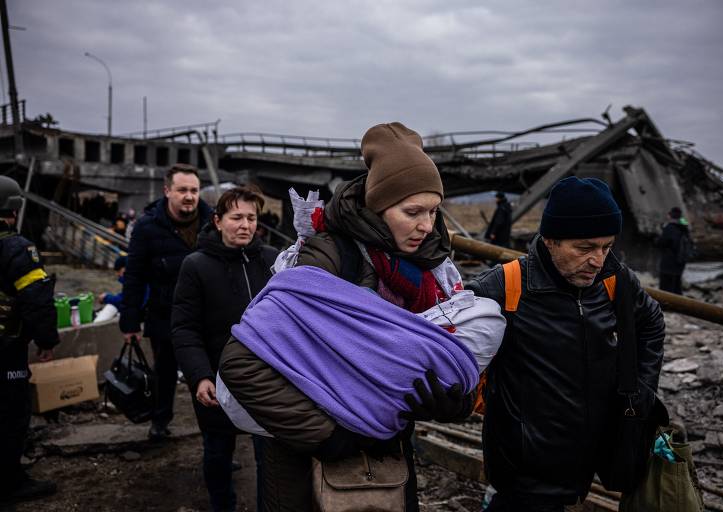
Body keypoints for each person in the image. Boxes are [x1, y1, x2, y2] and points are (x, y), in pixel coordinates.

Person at [218, 122, 475, 511]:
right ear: (377, 207)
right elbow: (240, 364)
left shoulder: (432, 275)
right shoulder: (329, 257)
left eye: (434, 210)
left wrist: (450, 402)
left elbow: (424, 357)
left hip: (385, 457)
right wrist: (331, 436)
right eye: (412, 211)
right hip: (303, 461)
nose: (427, 225)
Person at [467, 176, 665, 511]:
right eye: (585, 248)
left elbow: (651, 323)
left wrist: (640, 389)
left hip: (592, 457)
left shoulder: (614, 281)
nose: (597, 260)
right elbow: (447, 339)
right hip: (524, 468)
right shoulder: (506, 286)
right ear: (549, 240)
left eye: (606, 247)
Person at [172, 185, 277, 512]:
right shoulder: (196, 265)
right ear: (217, 221)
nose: (245, 225)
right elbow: (184, 327)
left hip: (268, 381)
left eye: (251, 217)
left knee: (270, 459)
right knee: (218, 455)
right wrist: (200, 376)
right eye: (236, 218)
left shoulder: (273, 261)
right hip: (218, 381)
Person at [120, 163, 212, 440]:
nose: (189, 196)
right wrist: (130, 322)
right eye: (182, 189)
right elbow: (134, 277)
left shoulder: (213, 222)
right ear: (167, 191)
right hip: (164, 315)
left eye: (194, 190)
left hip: (206, 316)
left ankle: (216, 438)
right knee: (165, 373)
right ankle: (160, 422)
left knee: (208, 375)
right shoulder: (147, 227)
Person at [0, 176, 60, 503]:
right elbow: (37, 298)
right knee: (11, 413)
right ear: (12, 208)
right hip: (6, 352)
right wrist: (47, 339)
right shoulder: (17, 247)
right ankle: (9, 483)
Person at [655, 206, 690, 295]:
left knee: (665, 288)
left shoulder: (669, 228)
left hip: (668, 263)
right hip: (680, 262)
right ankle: (678, 305)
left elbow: (661, 243)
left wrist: (658, 234)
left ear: (670, 216)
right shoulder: (684, 228)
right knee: (677, 286)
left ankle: (665, 306)